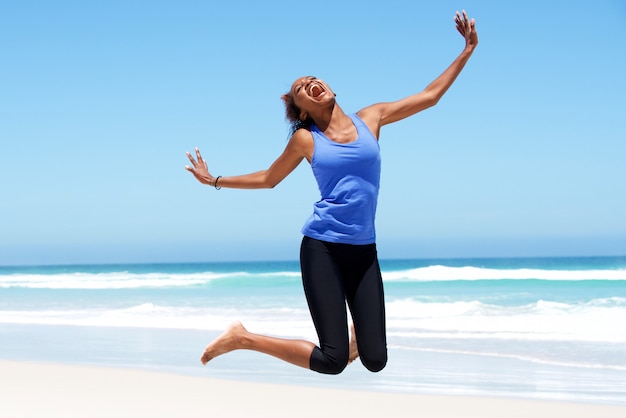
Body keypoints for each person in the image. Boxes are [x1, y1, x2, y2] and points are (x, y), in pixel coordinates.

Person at [185, 10, 478, 375]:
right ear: (302, 111)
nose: (309, 85)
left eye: (311, 79)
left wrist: (466, 51)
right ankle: (242, 338)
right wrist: (214, 179)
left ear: (330, 88)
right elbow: (268, 178)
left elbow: (430, 96)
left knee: (376, 360)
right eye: (299, 90)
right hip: (322, 247)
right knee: (333, 361)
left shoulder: (371, 117)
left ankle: (357, 338)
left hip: (363, 250)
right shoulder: (306, 139)